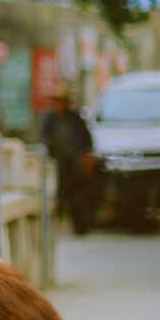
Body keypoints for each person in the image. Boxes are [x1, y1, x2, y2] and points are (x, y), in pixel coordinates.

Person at [40, 84, 95, 234]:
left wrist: (85, 155)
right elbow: (44, 139)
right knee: (59, 194)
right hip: (58, 162)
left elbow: (87, 140)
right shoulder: (50, 119)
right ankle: (57, 225)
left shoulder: (74, 118)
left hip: (74, 161)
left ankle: (82, 225)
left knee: (77, 195)